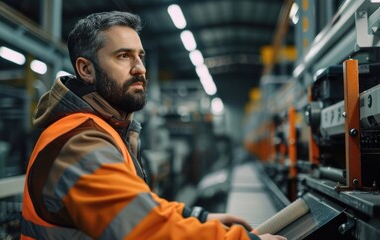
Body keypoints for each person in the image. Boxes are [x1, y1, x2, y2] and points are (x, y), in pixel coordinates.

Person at [20, 11, 286, 240]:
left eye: (140, 56)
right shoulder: (79, 144)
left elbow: (137, 206)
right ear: (86, 70)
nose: (140, 69)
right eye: (123, 56)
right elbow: (147, 229)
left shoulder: (107, 130)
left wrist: (196, 216)